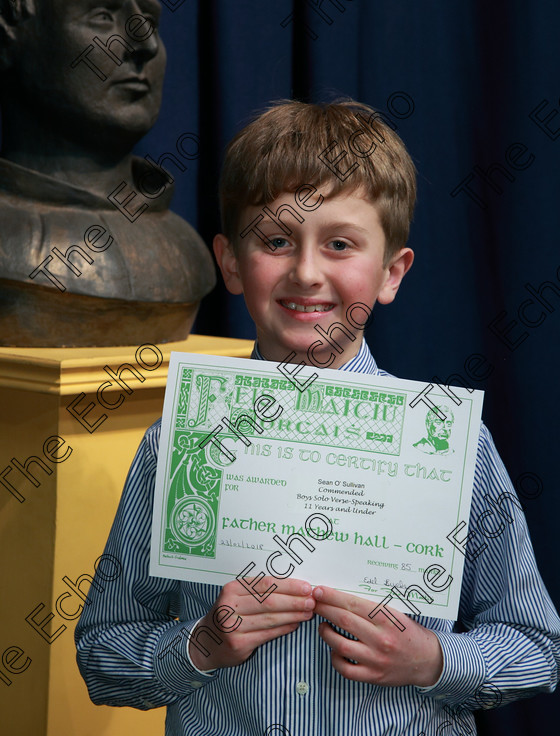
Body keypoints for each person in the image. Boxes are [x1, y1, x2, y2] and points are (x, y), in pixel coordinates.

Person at [75, 100, 560, 735]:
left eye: (339, 244)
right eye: (276, 241)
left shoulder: (449, 445)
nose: (306, 272)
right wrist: (200, 647)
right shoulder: (181, 442)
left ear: (391, 272)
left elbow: (537, 647)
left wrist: (434, 660)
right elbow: (99, 655)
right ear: (229, 263)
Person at [0, 0, 214, 346]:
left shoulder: (188, 253)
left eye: (149, 20)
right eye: (102, 16)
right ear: (10, 31)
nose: (145, 45)